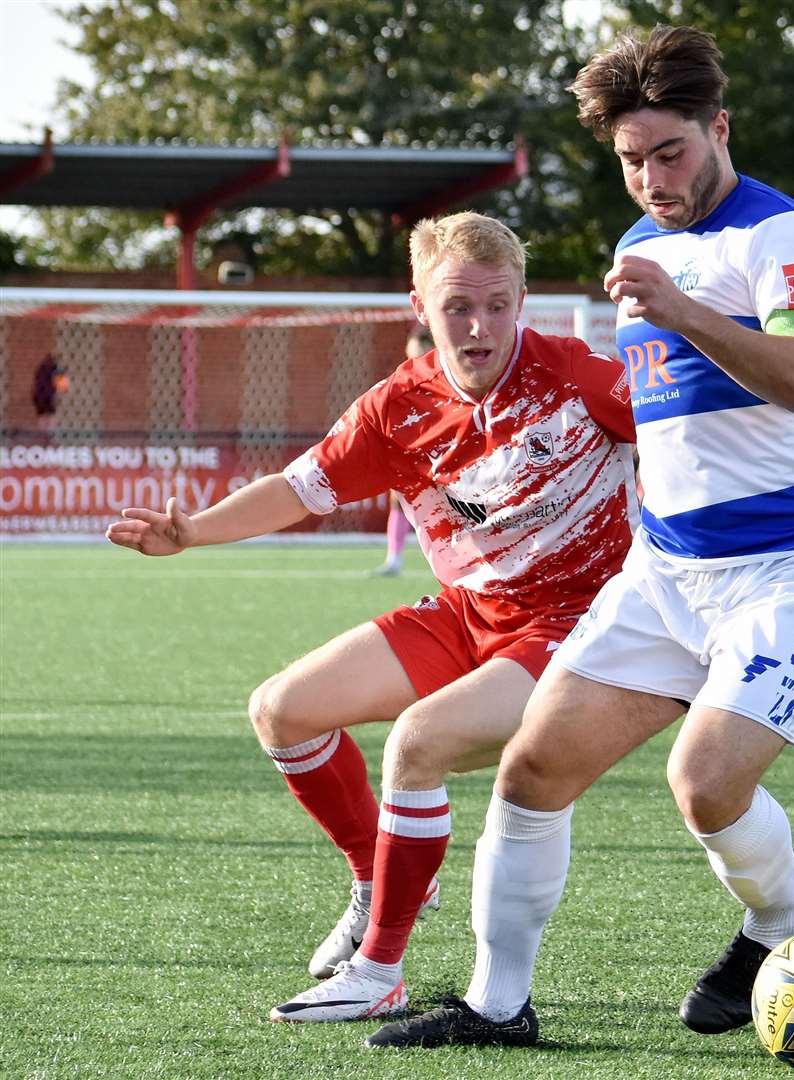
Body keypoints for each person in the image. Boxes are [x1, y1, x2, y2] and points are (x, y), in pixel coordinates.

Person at [370, 24, 794, 1050]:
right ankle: (498, 1007)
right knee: (532, 769)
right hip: (668, 573)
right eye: (631, 160)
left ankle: (776, 932)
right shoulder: (638, 249)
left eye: (670, 152)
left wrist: (685, 310)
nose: (651, 178)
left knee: (704, 785)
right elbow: (663, 425)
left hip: (792, 570)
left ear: (717, 127)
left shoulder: (783, 237)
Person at [105, 211, 638, 1026]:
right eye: (457, 305)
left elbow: (691, 442)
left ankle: (378, 971)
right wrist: (193, 533)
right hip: (470, 613)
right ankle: (374, 878)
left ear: (522, 300)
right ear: (418, 307)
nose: (479, 325)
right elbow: (297, 488)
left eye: (497, 305)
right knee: (282, 710)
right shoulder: (398, 406)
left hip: (575, 624)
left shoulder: (583, 375)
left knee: (416, 743)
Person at [372, 323, 434, 576]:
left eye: (422, 346)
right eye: (414, 345)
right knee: (398, 499)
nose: (416, 351)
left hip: (443, 452)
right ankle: (394, 559)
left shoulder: (447, 377)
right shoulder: (400, 381)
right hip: (410, 450)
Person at [31, 354, 69, 432]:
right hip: (48, 397)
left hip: (39, 398)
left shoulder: (40, 369)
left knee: (43, 417)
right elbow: (63, 387)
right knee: (50, 417)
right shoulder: (56, 370)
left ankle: (44, 434)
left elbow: (36, 385)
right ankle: (49, 435)